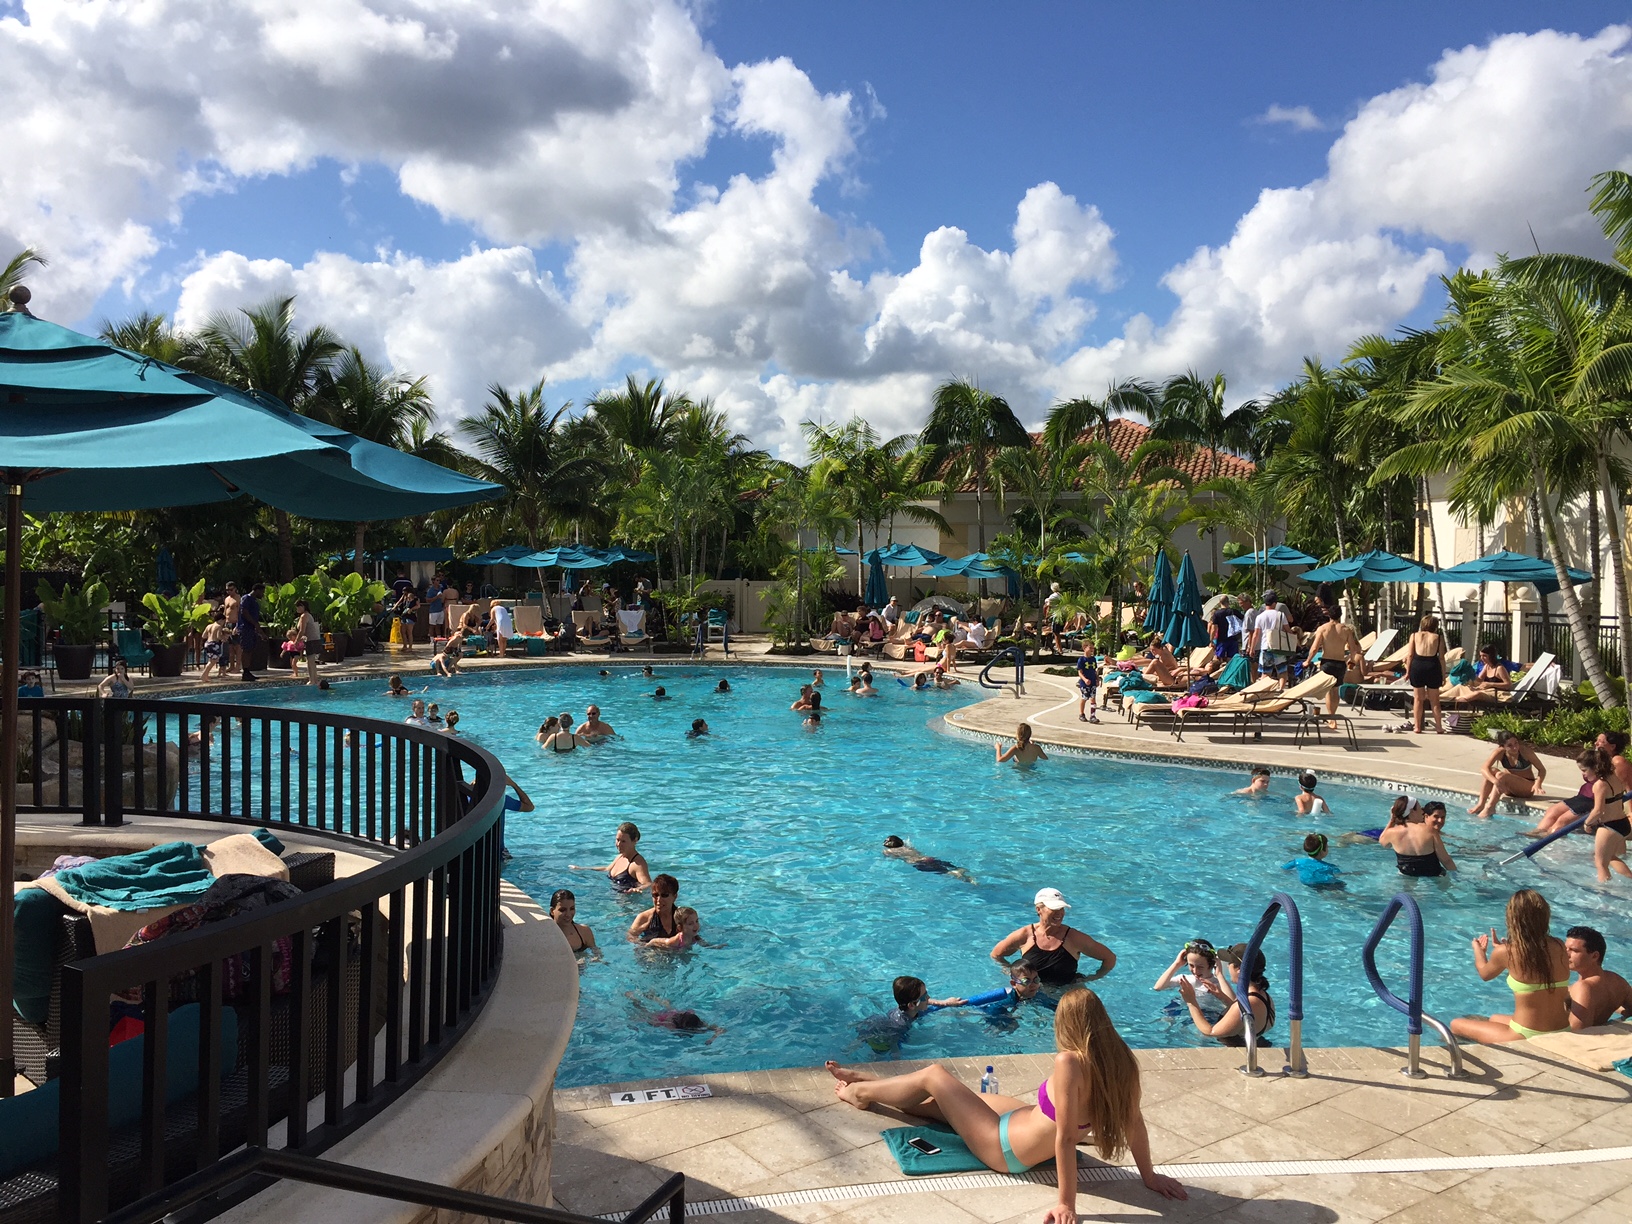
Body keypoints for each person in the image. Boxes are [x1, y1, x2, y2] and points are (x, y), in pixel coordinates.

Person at [826, 988, 1187, 1207]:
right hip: (1020, 1121)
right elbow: (1134, 1121)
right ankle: (874, 1082)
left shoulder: (1070, 1062)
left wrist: (1066, 1204)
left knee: (935, 1076)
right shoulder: (1121, 1059)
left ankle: (859, 1092)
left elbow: (1065, 1139)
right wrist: (1149, 1177)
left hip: (1006, 1148)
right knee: (943, 1104)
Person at [1450, 888, 1571, 1043]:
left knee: (1455, 1025)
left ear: (1513, 919)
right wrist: (1504, 952)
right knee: (1494, 1018)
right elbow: (1534, 965)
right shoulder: (1559, 945)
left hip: (1525, 1034)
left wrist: (1478, 950)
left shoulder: (1507, 952)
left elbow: (1484, 974)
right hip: (1562, 1029)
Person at [991, 888, 1115, 985]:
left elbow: (1109, 958)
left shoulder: (1074, 938)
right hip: (1034, 995)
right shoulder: (1024, 935)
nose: (1059, 913)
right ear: (1038, 909)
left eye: (1062, 908)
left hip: (1065, 995)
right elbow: (996, 955)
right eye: (1054, 908)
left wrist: (1092, 978)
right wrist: (1013, 974)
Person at [1529, 730, 1632, 836]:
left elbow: (1628, 787)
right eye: (1596, 740)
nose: (1596, 743)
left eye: (1601, 741)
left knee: (1562, 821)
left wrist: (1631, 813)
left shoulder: (1618, 761)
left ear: (1613, 746)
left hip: (1595, 800)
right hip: (1584, 795)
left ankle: (1546, 839)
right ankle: (1534, 836)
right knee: (1551, 811)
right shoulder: (1597, 757)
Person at [1179, 945, 1275, 1047]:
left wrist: (1191, 1002)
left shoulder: (1248, 1002)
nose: (1228, 967)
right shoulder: (1264, 996)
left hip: (1240, 1053)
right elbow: (1240, 1016)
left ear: (1239, 969)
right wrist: (1221, 996)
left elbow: (1210, 1032)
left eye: (1230, 963)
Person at [1578, 748, 1632, 883]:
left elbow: (1598, 810)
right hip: (1623, 824)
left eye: (1584, 770)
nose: (1583, 774)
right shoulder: (1614, 777)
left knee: (1600, 863)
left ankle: (1603, 891)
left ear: (1594, 768)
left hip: (1610, 827)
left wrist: (1587, 823)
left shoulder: (1600, 785)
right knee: (1611, 857)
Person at [1303, 609, 1362, 727]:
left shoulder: (1323, 629)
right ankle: (1333, 716)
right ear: (1340, 615)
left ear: (1329, 615)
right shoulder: (1346, 630)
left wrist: (1307, 661)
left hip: (1327, 662)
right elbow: (1353, 649)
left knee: (1329, 691)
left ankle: (1331, 719)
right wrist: (1351, 659)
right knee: (1335, 690)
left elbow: (1314, 648)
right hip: (1340, 662)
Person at [1565, 926, 1632, 1029]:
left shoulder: (1582, 988)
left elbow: (1577, 1032)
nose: (1566, 954)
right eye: (1565, 949)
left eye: (1574, 950)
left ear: (1594, 956)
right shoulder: (1616, 981)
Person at [1468, 730, 1546, 818]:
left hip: (1526, 789)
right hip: (1507, 788)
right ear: (1503, 746)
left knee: (1501, 776)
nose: (1515, 747)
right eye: (1510, 745)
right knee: (1491, 771)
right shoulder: (1500, 752)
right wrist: (1495, 782)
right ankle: (1481, 804)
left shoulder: (1525, 752)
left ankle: (1490, 807)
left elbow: (1542, 770)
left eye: (1516, 743)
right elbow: (1484, 768)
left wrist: (1538, 784)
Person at [1153, 939, 1231, 1020]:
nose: (1195, 971)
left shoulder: (1218, 984)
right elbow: (1158, 987)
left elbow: (1233, 1005)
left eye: (1200, 967)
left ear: (1211, 964)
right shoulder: (1186, 979)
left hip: (1207, 1015)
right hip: (1184, 1010)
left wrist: (1220, 975)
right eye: (1191, 965)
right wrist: (1177, 964)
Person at [1380, 797, 1455, 876]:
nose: (1422, 812)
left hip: (1406, 874)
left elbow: (1384, 843)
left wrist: (1392, 820)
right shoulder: (1429, 830)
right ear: (1412, 811)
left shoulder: (1391, 832)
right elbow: (1446, 860)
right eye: (1419, 808)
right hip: (1433, 874)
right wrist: (1456, 875)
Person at [569, 822, 651, 892]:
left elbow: (648, 884)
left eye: (623, 841)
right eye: (617, 840)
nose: (619, 844)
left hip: (626, 902)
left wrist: (638, 889)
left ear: (635, 840)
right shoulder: (620, 857)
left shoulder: (637, 864)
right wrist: (581, 869)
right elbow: (606, 869)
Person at [1406, 614, 1447, 733]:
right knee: (1434, 700)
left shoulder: (1414, 636)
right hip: (1432, 666)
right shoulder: (1438, 638)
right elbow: (1441, 658)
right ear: (1435, 626)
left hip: (1417, 666)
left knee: (1418, 699)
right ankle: (1438, 727)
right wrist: (1443, 674)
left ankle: (1417, 726)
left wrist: (1408, 671)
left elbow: (1410, 655)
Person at [628, 993, 724, 1043]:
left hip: (673, 1015)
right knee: (646, 1014)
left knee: (669, 1007)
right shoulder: (672, 1025)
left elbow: (720, 1029)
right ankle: (635, 1000)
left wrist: (713, 1038)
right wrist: (711, 1039)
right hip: (665, 1019)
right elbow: (720, 1029)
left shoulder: (697, 1023)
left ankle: (652, 997)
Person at [1249, 590, 1294, 688]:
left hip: (1265, 646)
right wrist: (1295, 641)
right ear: (1274, 603)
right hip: (1278, 647)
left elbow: (1256, 634)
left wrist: (1252, 648)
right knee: (1282, 671)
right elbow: (1288, 630)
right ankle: (1280, 690)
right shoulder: (1281, 615)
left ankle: (1265, 691)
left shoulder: (1260, 617)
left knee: (1265, 672)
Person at [883, 835, 974, 883]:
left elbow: (890, 857)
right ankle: (961, 871)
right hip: (928, 858)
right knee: (948, 866)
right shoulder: (906, 846)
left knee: (946, 872)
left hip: (919, 863)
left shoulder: (889, 851)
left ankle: (962, 876)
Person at [628, 874, 683, 942]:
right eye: (655, 895)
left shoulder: (683, 917)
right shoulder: (644, 918)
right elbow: (630, 938)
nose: (659, 900)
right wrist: (648, 945)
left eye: (664, 895)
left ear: (675, 897)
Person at [549, 889, 598, 959]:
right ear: (552, 911)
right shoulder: (546, 936)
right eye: (562, 910)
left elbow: (597, 954)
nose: (568, 914)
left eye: (572, 909)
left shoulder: (584, 932)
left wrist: (595, 959)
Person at [292, 599, 324, 686]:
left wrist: (296, 641)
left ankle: (312, 680)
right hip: (312, 640)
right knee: (311, 661)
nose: (297, 608)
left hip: (311, 641)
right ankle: (314, 680)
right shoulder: (308, 615)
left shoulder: (304, 616)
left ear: (303, 606)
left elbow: (302, 631)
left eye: (298, 606)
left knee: (310, 661)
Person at [238, 581, 263, 681]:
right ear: (256, 590)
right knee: (246, 649)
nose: (262, 594)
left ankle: (247, 671)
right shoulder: (246, 598)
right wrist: (255, 624)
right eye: (262, 592)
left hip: (251, 628)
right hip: (246, 627)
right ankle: (245, 671)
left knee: (250, 649)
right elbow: (244, 612)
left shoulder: (254, 600)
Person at [199, 609, 232, 681]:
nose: (223, 623)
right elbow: (218, 637)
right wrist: (223, 638)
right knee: (213, 661)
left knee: (211, 660)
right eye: (224, 621)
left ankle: (205, 675)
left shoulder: (209, 626)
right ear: (221, 620)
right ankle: (204, 675)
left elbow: (204, 636)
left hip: (207, 643)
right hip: (214, 644)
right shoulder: (218, 626)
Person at [221, 582, 242, 675]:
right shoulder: (226, 599)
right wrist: (223, 625)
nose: (229, 591)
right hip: (227, 624)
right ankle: (231, 665)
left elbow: (240, 613)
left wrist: (237, 625)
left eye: (231, 590)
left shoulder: (238, 598)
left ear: (235, 589)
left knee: (237, 646)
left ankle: (238, 666)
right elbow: (225, 613)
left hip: (235, 623)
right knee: (230, 647)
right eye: (227, 590)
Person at [1075, 648, 1100, 724]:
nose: (1092, 650)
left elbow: (1094, 671)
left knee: (1093, 698)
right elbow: (1080, 672)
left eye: (1093, 648)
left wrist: (1097, 679)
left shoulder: (1093, 659)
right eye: (1090, 648)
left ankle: (1093, 716)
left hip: (1093, 682)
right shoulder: (1081, 660)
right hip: (1084, 683)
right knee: (1085, 697)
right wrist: (1085, 680)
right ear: (1085, 648)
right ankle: (1081, 714)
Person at [393, 588, 419, 653]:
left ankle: (410, 647)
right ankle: (405, 646)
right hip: (404, 615)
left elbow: (418, 606)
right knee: (402, 631)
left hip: (410, 617)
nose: (403, 592)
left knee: (409, 632)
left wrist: (411, 609)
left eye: (404, 591)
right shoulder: (404, 597)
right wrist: (394, 607)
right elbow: (399, 602)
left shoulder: (415, 598)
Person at [425, 574, 448, 639]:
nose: (438, 582)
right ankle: (432, 639)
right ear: (433, 581)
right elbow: (427, 600)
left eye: (439, 580)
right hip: (433, 610)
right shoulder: (431, 590)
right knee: (432, 625)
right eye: (437, 580)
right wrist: (436, 597)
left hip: (440, 609)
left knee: (439, 625)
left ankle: (439, 638)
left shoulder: (440, 588)